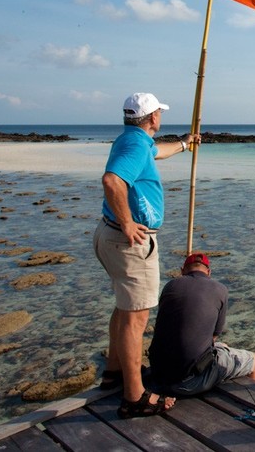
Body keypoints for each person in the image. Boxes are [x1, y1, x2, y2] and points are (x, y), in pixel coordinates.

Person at [93, 92, 199, 418]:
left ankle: (114, 373)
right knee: (137, 318)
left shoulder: (134, 140)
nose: (160, 118)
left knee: (126, 309)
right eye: (159, 114)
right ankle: (134, 396)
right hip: (129, 241)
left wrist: (184, 143)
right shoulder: (136, 145)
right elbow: (112, 180)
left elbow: (158, 153)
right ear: (152, 117)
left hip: (109, 236)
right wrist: (128, 223)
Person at [148, 252, 255, 396]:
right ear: (209, 272)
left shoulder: (170, 286)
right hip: (188, 382)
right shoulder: (220, 289)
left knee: (223, 347)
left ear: (182, 270)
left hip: (158, 375)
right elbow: (214, 335)